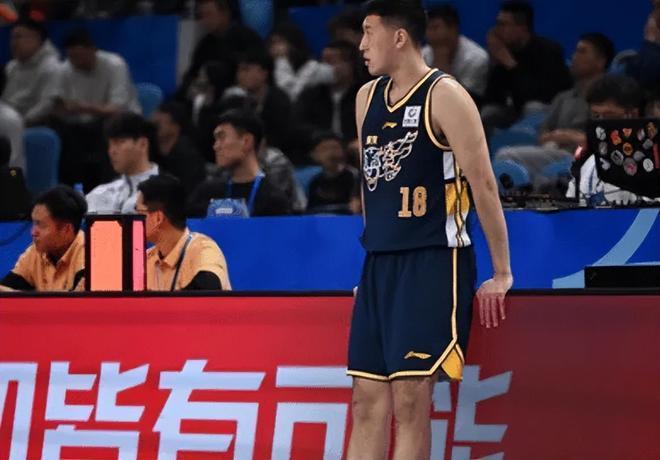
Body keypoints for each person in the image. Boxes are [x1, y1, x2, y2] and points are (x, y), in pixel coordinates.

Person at [348, 2, 512, 459]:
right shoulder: (365, 98)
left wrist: (501, 272)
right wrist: (373, 258)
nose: (361, 45)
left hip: (434, 260)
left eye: (369, 32)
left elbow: (483, 184)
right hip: (380, 264)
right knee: (365, 401)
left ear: (399, 36)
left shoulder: (445, 95)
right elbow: (370, 185)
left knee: (410, 398)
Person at [495, 33, 614, 187]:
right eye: (576, 51)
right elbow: (542, 136)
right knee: (511, 156)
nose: (574, 57)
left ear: (600, 61)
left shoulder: (611, 99)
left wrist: (570, 136)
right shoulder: (563, 97)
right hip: (555, 150)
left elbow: (605, 138)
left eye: (582, 52)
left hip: (586, 155)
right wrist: (558, 136)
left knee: (507, 155)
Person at [52, 27, 141, 187]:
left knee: (110, 129)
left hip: (120, 119)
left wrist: (82, 107)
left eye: (79, 56)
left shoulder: (114, 64)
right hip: (82, 123)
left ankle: (109, 185)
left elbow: (116, 108)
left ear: (93, 50)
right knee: (61, 133)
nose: (75, 62)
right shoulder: (65, 69)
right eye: (71, 57)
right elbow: (60, 105)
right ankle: (73, 188)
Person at [481, 1, 572, 132]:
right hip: (514, 111)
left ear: (522, 28)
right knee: (488, 113)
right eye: (497, 24)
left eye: (503, 25)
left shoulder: (548, 51)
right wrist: (495, 64)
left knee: (532, 108)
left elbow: (539, 96)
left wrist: (510, 64)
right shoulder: (502, 52)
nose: (497, 31)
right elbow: (492, 98)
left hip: (549, 112)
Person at [566, 74, 657, 205]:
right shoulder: (587, 161)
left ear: (633, 114)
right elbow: (572, 207)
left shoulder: (655, 156)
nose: (601, 124)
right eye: (596, 116)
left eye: (609, 116)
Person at [188, 109, 292, 217]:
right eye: (215, 139)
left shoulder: (273, 200)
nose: (216, 146)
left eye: (221, 137)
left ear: (246, 142)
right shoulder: (205, 195)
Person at [136, 174, 231, 291]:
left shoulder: (204, 250)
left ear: (158, 218)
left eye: (139, 213)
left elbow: (206, 294)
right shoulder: (145, 260)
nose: (136, 220)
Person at [0, 185, 87, 292]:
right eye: (33, 223)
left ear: (66, 229)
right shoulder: (35, 252)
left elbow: (79, 301)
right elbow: (6, 293)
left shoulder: (88, 254)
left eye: (40, 225)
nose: (33, 232)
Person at [178, 0, 263, 101]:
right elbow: (192, 74)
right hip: (207, 99)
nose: (205, 20)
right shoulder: (205, 44)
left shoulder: (246, 37)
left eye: (209, 14)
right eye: (202, 16)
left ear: (225, 13)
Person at [86, 112, 159, 213]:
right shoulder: (99, 195)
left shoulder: (166, 192)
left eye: (119, 142)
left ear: (142, 144)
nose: (112, 151)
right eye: (110, 144)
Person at [295, 40, 363, 145]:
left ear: (350, 65)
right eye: (323, 62)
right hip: (321, 146)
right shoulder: (312, 94)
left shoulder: (363, 93)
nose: (325, 67)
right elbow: (300, 125)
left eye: (331, 62)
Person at [421, 4, 489, 102]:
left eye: (435, 28)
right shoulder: (424, 54)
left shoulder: (476, 58)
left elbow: (462, 99)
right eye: (427, 28)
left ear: (453, 29)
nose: (429, 33)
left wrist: (441, 60)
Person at [1, 18, 61, 126]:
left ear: (36, 39)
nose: (13, 43)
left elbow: (47, 105)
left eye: (18, 37)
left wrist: (18, 123)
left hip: (31, 126)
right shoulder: (11, 66)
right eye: (12, 38)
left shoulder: (52, 67)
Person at [268, 22, 334, 102]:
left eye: (280, 42)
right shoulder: (267, 71)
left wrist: (281, 60)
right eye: (272, 43)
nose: (275, 47)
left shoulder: (314, 68)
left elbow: (290, 96)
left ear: (293, 44)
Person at [152, 101, 207, 194]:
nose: (154, 127)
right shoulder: (151, 150)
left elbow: (192, 190)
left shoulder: (188, 156)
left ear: (175, 127)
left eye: (159, 124)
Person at [306, 131, 358, 214]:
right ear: (314, 155)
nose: (331, 153)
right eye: (324, 149)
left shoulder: (354, 177)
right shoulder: (315, 182)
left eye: (335, 148)